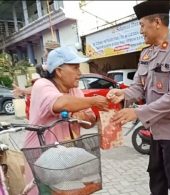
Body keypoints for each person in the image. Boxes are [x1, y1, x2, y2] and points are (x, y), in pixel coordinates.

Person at [107, 1, 170, 195]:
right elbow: (138, 87)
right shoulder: (146, 54)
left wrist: (137, 113)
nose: (140, 31)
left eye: (141, 25)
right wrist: (122, 94)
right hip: (156, 131)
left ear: (156, 22)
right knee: (157, 184)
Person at [22, 46, 108, 195]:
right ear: (59, 71)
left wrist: (83, 117)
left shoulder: (74, 89)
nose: (79, 73)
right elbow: (60, 103)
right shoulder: (42, 85)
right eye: (75, 68)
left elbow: (90, 120)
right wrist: (93, 101)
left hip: (67, 156)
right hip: (42, 156)